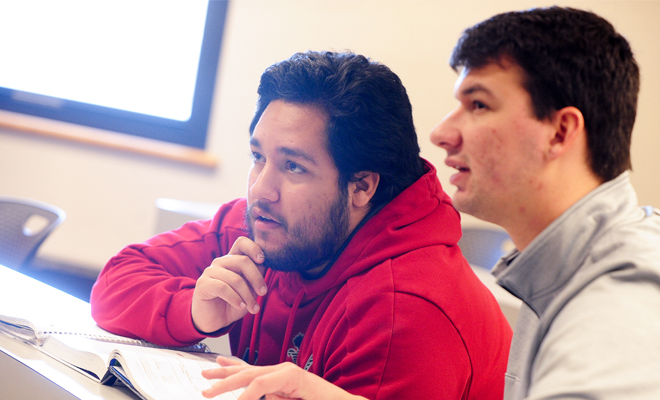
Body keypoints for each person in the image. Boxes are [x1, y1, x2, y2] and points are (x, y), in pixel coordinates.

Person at [90, 50, 511, 399]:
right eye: (259, 158)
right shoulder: (267, 227)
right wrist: (193, 310)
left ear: (361, 186)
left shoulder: (406, 312)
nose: (261, 190)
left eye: (293, 166)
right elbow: (115, 283)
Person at [429, 6, 660, 400]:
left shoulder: (630, 298)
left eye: (478, 105)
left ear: (560, 133)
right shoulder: (566, 265)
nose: (441, 132)